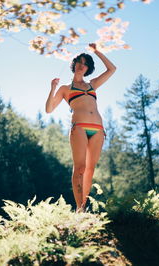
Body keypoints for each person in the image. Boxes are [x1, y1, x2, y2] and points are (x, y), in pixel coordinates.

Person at [45, 43, 116, 212]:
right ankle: (80, 208)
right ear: (74, 64)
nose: (81, 65)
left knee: (90, 170)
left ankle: (84, 206)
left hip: (98, 129)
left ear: (87, 68)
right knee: (80, 167)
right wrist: (52, 88)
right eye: (79, 61)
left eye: (85, 63)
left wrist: (96, 51)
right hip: (79, 128)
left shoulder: (92, 85)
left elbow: (112, 69)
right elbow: (48, 109)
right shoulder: (65, 88)